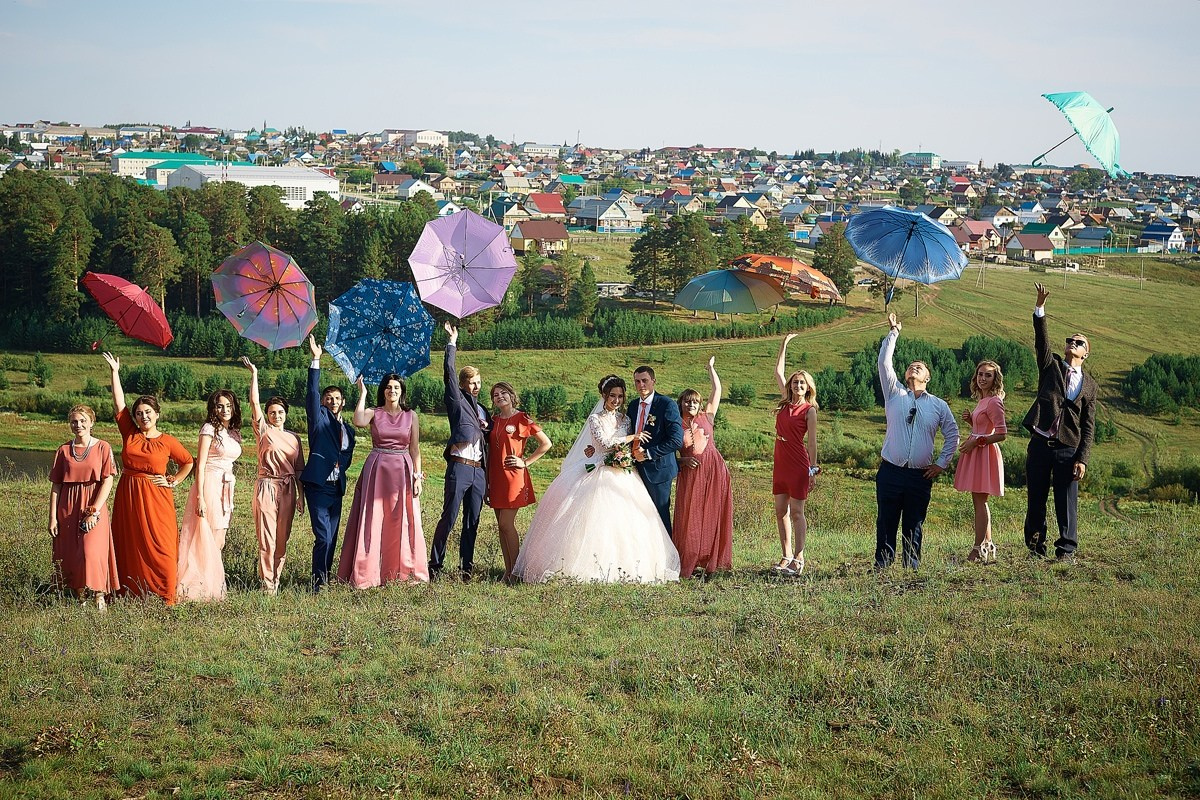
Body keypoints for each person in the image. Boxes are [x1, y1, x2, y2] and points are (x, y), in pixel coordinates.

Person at [514, 375, 680, 583]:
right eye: (612, 395)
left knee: (628, 522)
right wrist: (627, 439)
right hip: (599, 471)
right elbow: (604, 442)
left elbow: (623, 446)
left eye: (620, 396)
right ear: (603, 395)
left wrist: (626, 453)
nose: (616, 400)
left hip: (624, 473)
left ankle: (629, 567)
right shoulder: (595, 418)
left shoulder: (626, 419)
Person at [102, 352, 194, 605]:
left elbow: (188, 461)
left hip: (157, 496)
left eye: (148, 412)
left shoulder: (167, 441)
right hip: (129, 494)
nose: (144, 416)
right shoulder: (130, 434)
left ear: (157, 414)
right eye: (140, 413)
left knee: (162, 544)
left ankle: (166, 595)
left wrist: (174, 480)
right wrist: (115, 373)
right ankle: (129, 590)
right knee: (129, 541)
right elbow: (119, 406)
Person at [874, 313, 959, 570]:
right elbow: (884, 362)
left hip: (919, 477)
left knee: (914, 523)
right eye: (911, 366)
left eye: (920, 367)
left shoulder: (938, 406)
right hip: (890, 472)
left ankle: (911, 569)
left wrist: (942, 463)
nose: (914, 367)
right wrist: (894, 332)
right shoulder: (894, 393)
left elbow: (953, 434)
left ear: (928, 378)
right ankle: (882, 567)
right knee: (886, 521)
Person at [1022, 283, 1097, 560]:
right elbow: (1041, 341)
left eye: (1078, 342)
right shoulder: (1050, 366)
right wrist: (1040, 308)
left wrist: (1083, 459)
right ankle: (1035, 549)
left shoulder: (1090, 386)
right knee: (1036, 500)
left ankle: (1066, 550)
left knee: (1066, 502)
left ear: (1085, 353)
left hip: (1068, 447)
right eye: (1069, 340)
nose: (1072, 344)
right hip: (1041, 442)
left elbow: (1088, 426)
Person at [337, 374, 428, 586]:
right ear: (383, 391)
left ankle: (402, 571)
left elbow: (415, 449)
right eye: (388, 387)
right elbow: (358, 421)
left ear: (402, 391)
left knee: (402, 518)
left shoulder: (411, 415)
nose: (392, 391)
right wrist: (362, 393)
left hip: (403, 470)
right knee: (374, 517)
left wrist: (417, 476)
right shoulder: (374, 412)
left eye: (396, 387)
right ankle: (369, 573)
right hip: (377, 468)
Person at [429, 323, 491, 580]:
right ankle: (434, 565)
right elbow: (449, 372)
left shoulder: (484, 409)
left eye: (478, 383)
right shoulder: (456, 401)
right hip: (460, 466)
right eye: (472, 383)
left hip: (479, 472)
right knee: (450, 517)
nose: (476, 386)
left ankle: (466, 567)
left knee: (472, 522)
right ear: (463, 385)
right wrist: (452, 342)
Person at [241, 357, 306, 594]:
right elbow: (254, 403)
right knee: (266, 538)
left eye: (280, 412)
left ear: (285, 414)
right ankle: (267, 585)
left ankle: (276, 580)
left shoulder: (295, 439)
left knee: (281, 538)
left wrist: (301, 497)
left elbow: (299, 470)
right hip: (266, 486)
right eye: (272, 412)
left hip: (288, 489)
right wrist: (254, 374)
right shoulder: (264, 431)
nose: (276, 415)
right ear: (267, 416)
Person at [47, 404, 118, 609]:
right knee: (72, 552)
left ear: (91, 423)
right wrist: (53, 517)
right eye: (74, 422)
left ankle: (99, 595)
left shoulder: (103, 447)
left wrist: (94, 511)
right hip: (67, 507)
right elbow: (56, 485)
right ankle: (80, 597)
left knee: (91, 551)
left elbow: (107, 481)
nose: (78, 425)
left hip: (93, 504)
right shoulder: (63, 450)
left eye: (82, 421)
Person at [300, 335, 357, 591]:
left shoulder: (349, 430)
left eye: (337, 398)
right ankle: (316, 583)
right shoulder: (319, 419)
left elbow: (347, 456)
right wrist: (316, 360)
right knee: (322, 536)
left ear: (343, 402)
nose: (333, 401)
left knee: (332, 538)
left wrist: (339, 467)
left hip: (337, 488)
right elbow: (312, 393)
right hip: (318, 486)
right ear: (324, 402)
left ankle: (324, 579)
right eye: (329, 398)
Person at [177, 390, 243, 601]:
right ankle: (199, 587)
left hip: (226, 487)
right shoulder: (208, 429)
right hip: (211, 485)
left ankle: (212, 583)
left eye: (229, 406)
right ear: (213, 408)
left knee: (220, 537)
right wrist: (200, 498)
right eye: (220, 406)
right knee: (208, 535)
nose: (225, 410)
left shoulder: (231, 431)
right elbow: (201, 464)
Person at [672, 357, 733, 578]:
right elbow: (669, 452)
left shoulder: (707, 416)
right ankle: (688, 560)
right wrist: (682, 461)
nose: (691, 405)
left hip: (714, 470)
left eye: (695, 402)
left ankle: (711, 562)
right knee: (690, 517)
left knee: (712, 515)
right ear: (681, 403)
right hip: (690, 473)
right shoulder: (675, 425)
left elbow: (717, 389)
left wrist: (711, 369)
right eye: (687, 402)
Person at [486, 381, 552, 584]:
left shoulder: (522, 418)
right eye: (496, 395)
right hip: (495, 477)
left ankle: (517, 572)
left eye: (503, 392)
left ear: (511, 395)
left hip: (513, 477)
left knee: (507, 524)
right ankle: (508, 571)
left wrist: (525, 462)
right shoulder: (493, 420)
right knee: (501, 526)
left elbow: (546, 443)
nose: (500, 396)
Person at [772, 334, 819, 576]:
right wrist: (784, 344)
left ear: (807, 388)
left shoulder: (809, 410)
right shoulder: (784, 402)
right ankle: (786, 554)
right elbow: (777, 372)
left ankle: (799, 558)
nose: (797, 386)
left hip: (798, 461)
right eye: (795, 382)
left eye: (802, 384)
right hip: (780, 459)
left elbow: (812, 443)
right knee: (781, 510)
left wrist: (814, 469)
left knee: (797, 512)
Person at [954, 360, 1008, 563]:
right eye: (980, 375)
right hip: (977, 450)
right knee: (977, 501)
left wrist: (977, 441)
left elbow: (1002, 434)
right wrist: (971, 421)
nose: (983, 378)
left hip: (984, 453)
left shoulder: (994, 401)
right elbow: (984, 425)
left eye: (988, 375)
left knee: (980, 501)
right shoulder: (983, 400)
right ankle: (987, 545)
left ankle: (977, 549)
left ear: (995, 379)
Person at [628, 366, 684, 536]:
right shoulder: (632, 406)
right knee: (638, 515)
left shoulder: (666, 404)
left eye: (644, 380)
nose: (641, 384)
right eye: (637, 381)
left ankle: (668, 559)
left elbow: (676, 440)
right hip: (634, 469)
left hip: (659, 470)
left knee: (659, 516)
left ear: (653, 381)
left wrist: (647, 453)